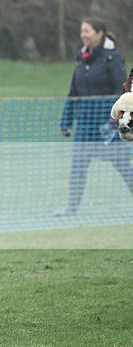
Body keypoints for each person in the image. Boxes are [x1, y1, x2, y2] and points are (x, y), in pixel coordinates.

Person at [57, 16, 133, 216]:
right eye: (82, 31)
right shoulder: (81, 59)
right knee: (78, 164)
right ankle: (71, 208)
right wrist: (66, 121)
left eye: (87, 31)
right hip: (85, 125)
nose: (83, 35)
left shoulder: (113, 58)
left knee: (124, 165)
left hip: (107, 125)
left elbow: (123, 91)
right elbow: (74, 93)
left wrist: (116, 117)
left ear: (99, 33)